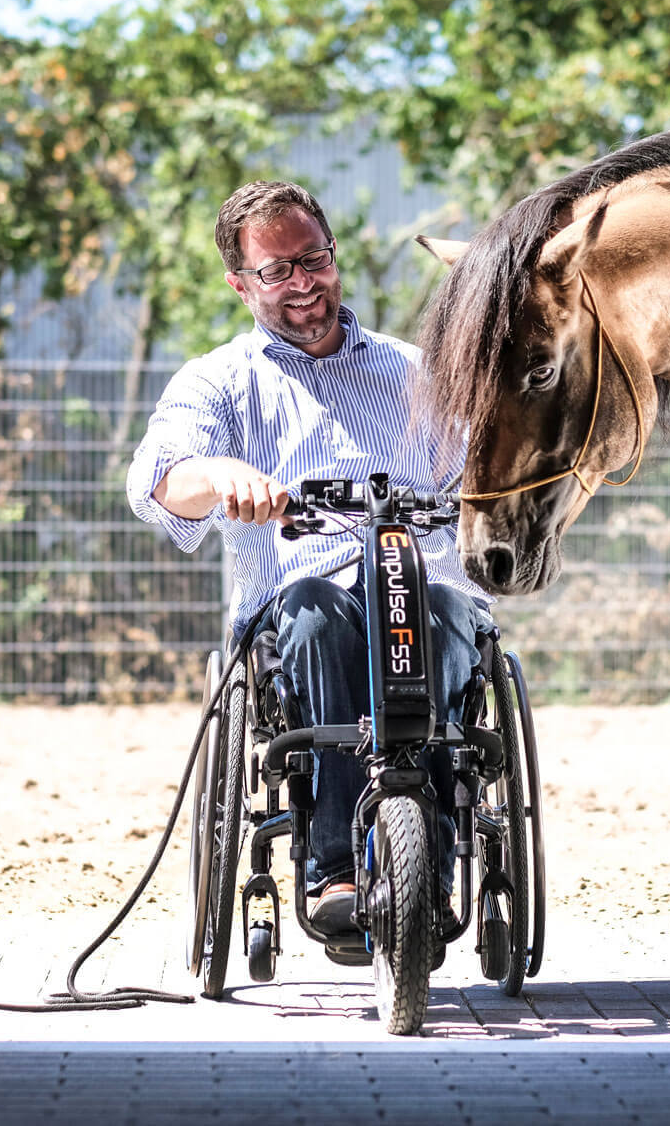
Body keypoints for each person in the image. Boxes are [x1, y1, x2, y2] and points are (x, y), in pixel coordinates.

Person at [127, 179, 490, 934]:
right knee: (319, 611)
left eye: (313, 259)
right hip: (301, 602)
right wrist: (218, 476)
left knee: (450, 608)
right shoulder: (219, 382)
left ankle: (436, 866)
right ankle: (334, 870)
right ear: (240, 283)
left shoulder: (416, 372)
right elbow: (161, 479)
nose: (302, 282)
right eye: (276, 271)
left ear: (333, 254)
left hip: (420, 586)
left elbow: (475, 481)